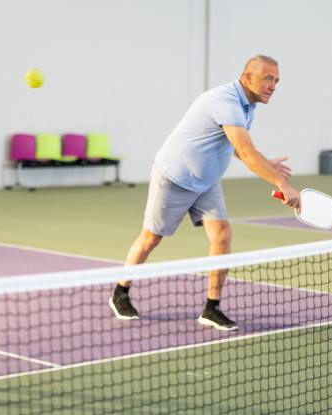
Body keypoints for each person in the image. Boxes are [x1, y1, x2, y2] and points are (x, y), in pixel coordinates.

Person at [109, 55, 300, 331]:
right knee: (150, 238)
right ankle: (120, 291)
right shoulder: (225, 101)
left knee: (222, 235)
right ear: (248, 78)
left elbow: (235, 145)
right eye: (268, 78)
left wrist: (265, 162)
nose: (273, 86)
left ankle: (212, 308)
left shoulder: (248, 107)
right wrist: (281, 184)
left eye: (277, 80)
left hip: (206, 181)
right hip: (174, 177)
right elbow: (246, 152)